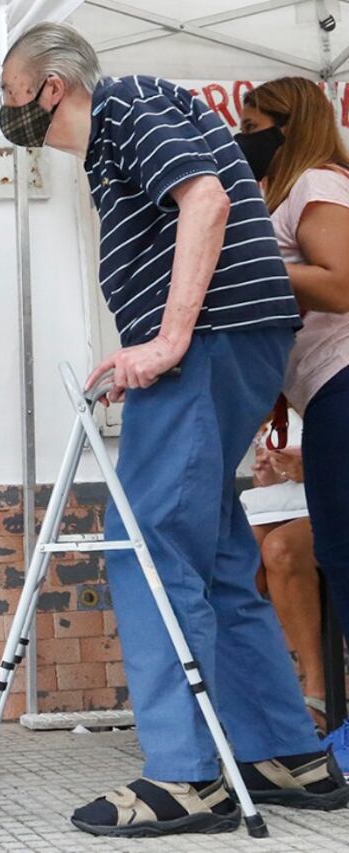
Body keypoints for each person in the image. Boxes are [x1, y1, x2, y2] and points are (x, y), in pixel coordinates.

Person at [0, 23, 348, 836]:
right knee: (219, 552)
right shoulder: (128, 127)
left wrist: (168, 339)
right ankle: (282, 750)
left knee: (145, 545)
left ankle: (189, 776)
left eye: (12, 96)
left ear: (51, 87)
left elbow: (207, 198)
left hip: (214, 343)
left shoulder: (127, 107)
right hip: (237, 342)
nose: (9, 115)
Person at [238, 76, 349, 769]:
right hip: (326, 395)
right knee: (333, 555)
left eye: (254, 122)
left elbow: (342, 281)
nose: (244, 136)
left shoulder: (316, 181)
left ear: (290, 125)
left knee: (343, 556)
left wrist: (258, 265)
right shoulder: (293, 192)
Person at [242, 415, 323, 734]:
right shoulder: (275, 400)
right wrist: (272, 476)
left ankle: (318, 689)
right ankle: (261, 695)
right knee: (239, 557)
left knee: (281, 549)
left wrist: (317, 469)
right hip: (297, 508)